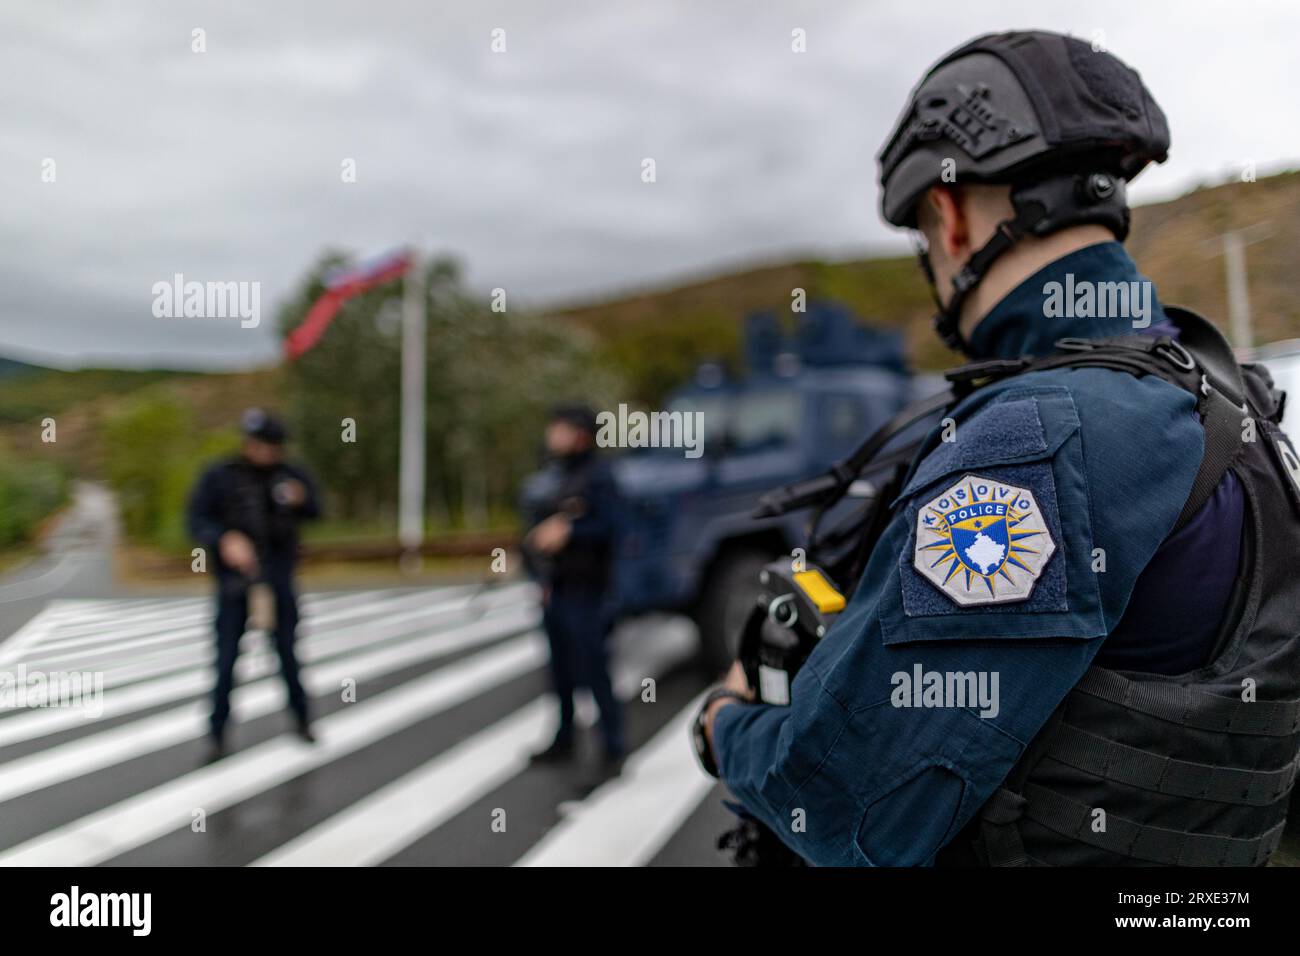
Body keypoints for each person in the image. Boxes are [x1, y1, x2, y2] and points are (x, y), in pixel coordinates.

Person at [696, 30, 1300, 866]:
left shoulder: (1037, 440)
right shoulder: (1234, 401)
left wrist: (724, 723)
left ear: (946, 216)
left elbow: (851, 802)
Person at [187, 408, 322, 760]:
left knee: (288, 654)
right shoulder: (220, 476)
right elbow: (196, 520)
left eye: (270, 444)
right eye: (256, 443)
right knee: (226, 660)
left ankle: (302, 719)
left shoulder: (291, 478)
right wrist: (224, 538)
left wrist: (302, 498)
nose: (262, 450)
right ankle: (217, 735)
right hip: (234, 586)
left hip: (277, 582)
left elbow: (317, 511)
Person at [522, 404, 626, 772]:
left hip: (589, 589)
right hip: (557, 588)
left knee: (594, 668)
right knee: (560, 669)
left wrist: (570, 531)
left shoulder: (600, 476)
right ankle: (564, 738)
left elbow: (613, 528)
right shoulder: (553, 475)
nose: (553, 436)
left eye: (560, 428)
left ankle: (613, 746)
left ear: (580, 434)